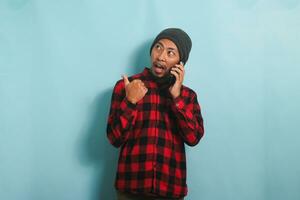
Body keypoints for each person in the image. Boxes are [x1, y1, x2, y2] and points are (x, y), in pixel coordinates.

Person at [106, 28, 204, 200]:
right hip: (130, 189)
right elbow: (114, 138)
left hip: (170, 191)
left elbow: (193, 138)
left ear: (180, 63)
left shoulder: (188, 96)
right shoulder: (127, 87)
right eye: (158, 47)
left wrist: (176, 97)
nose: (161, 56)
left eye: (170, 52)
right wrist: (130, 101)